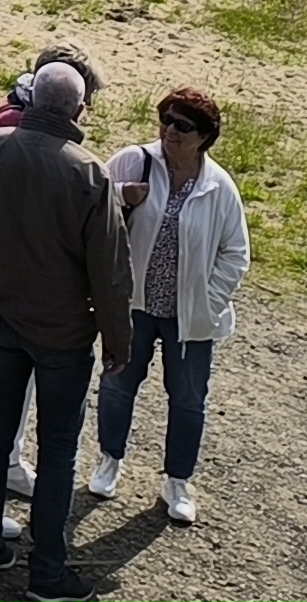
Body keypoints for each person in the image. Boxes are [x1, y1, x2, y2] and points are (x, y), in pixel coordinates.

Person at [0, 61, 126, 602]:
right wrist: (117, 341)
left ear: (31, 97)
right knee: (58, 450)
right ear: (80, 110)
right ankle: (48, 573)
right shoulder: (90, 173)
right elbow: (109, 269)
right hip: (63, 334)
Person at [91, 87, 249, 529]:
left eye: (182, 125)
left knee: (188, 401)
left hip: (189, 319)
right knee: (118, 386)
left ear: (204, 137)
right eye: (165, 119)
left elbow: (235, 253)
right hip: (134, 305)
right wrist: (124, 195)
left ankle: (178, 482)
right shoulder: (132, 160)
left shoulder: (219, 187)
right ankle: (109, 461)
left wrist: (207, 301)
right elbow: (90, 206)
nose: (169, 131)